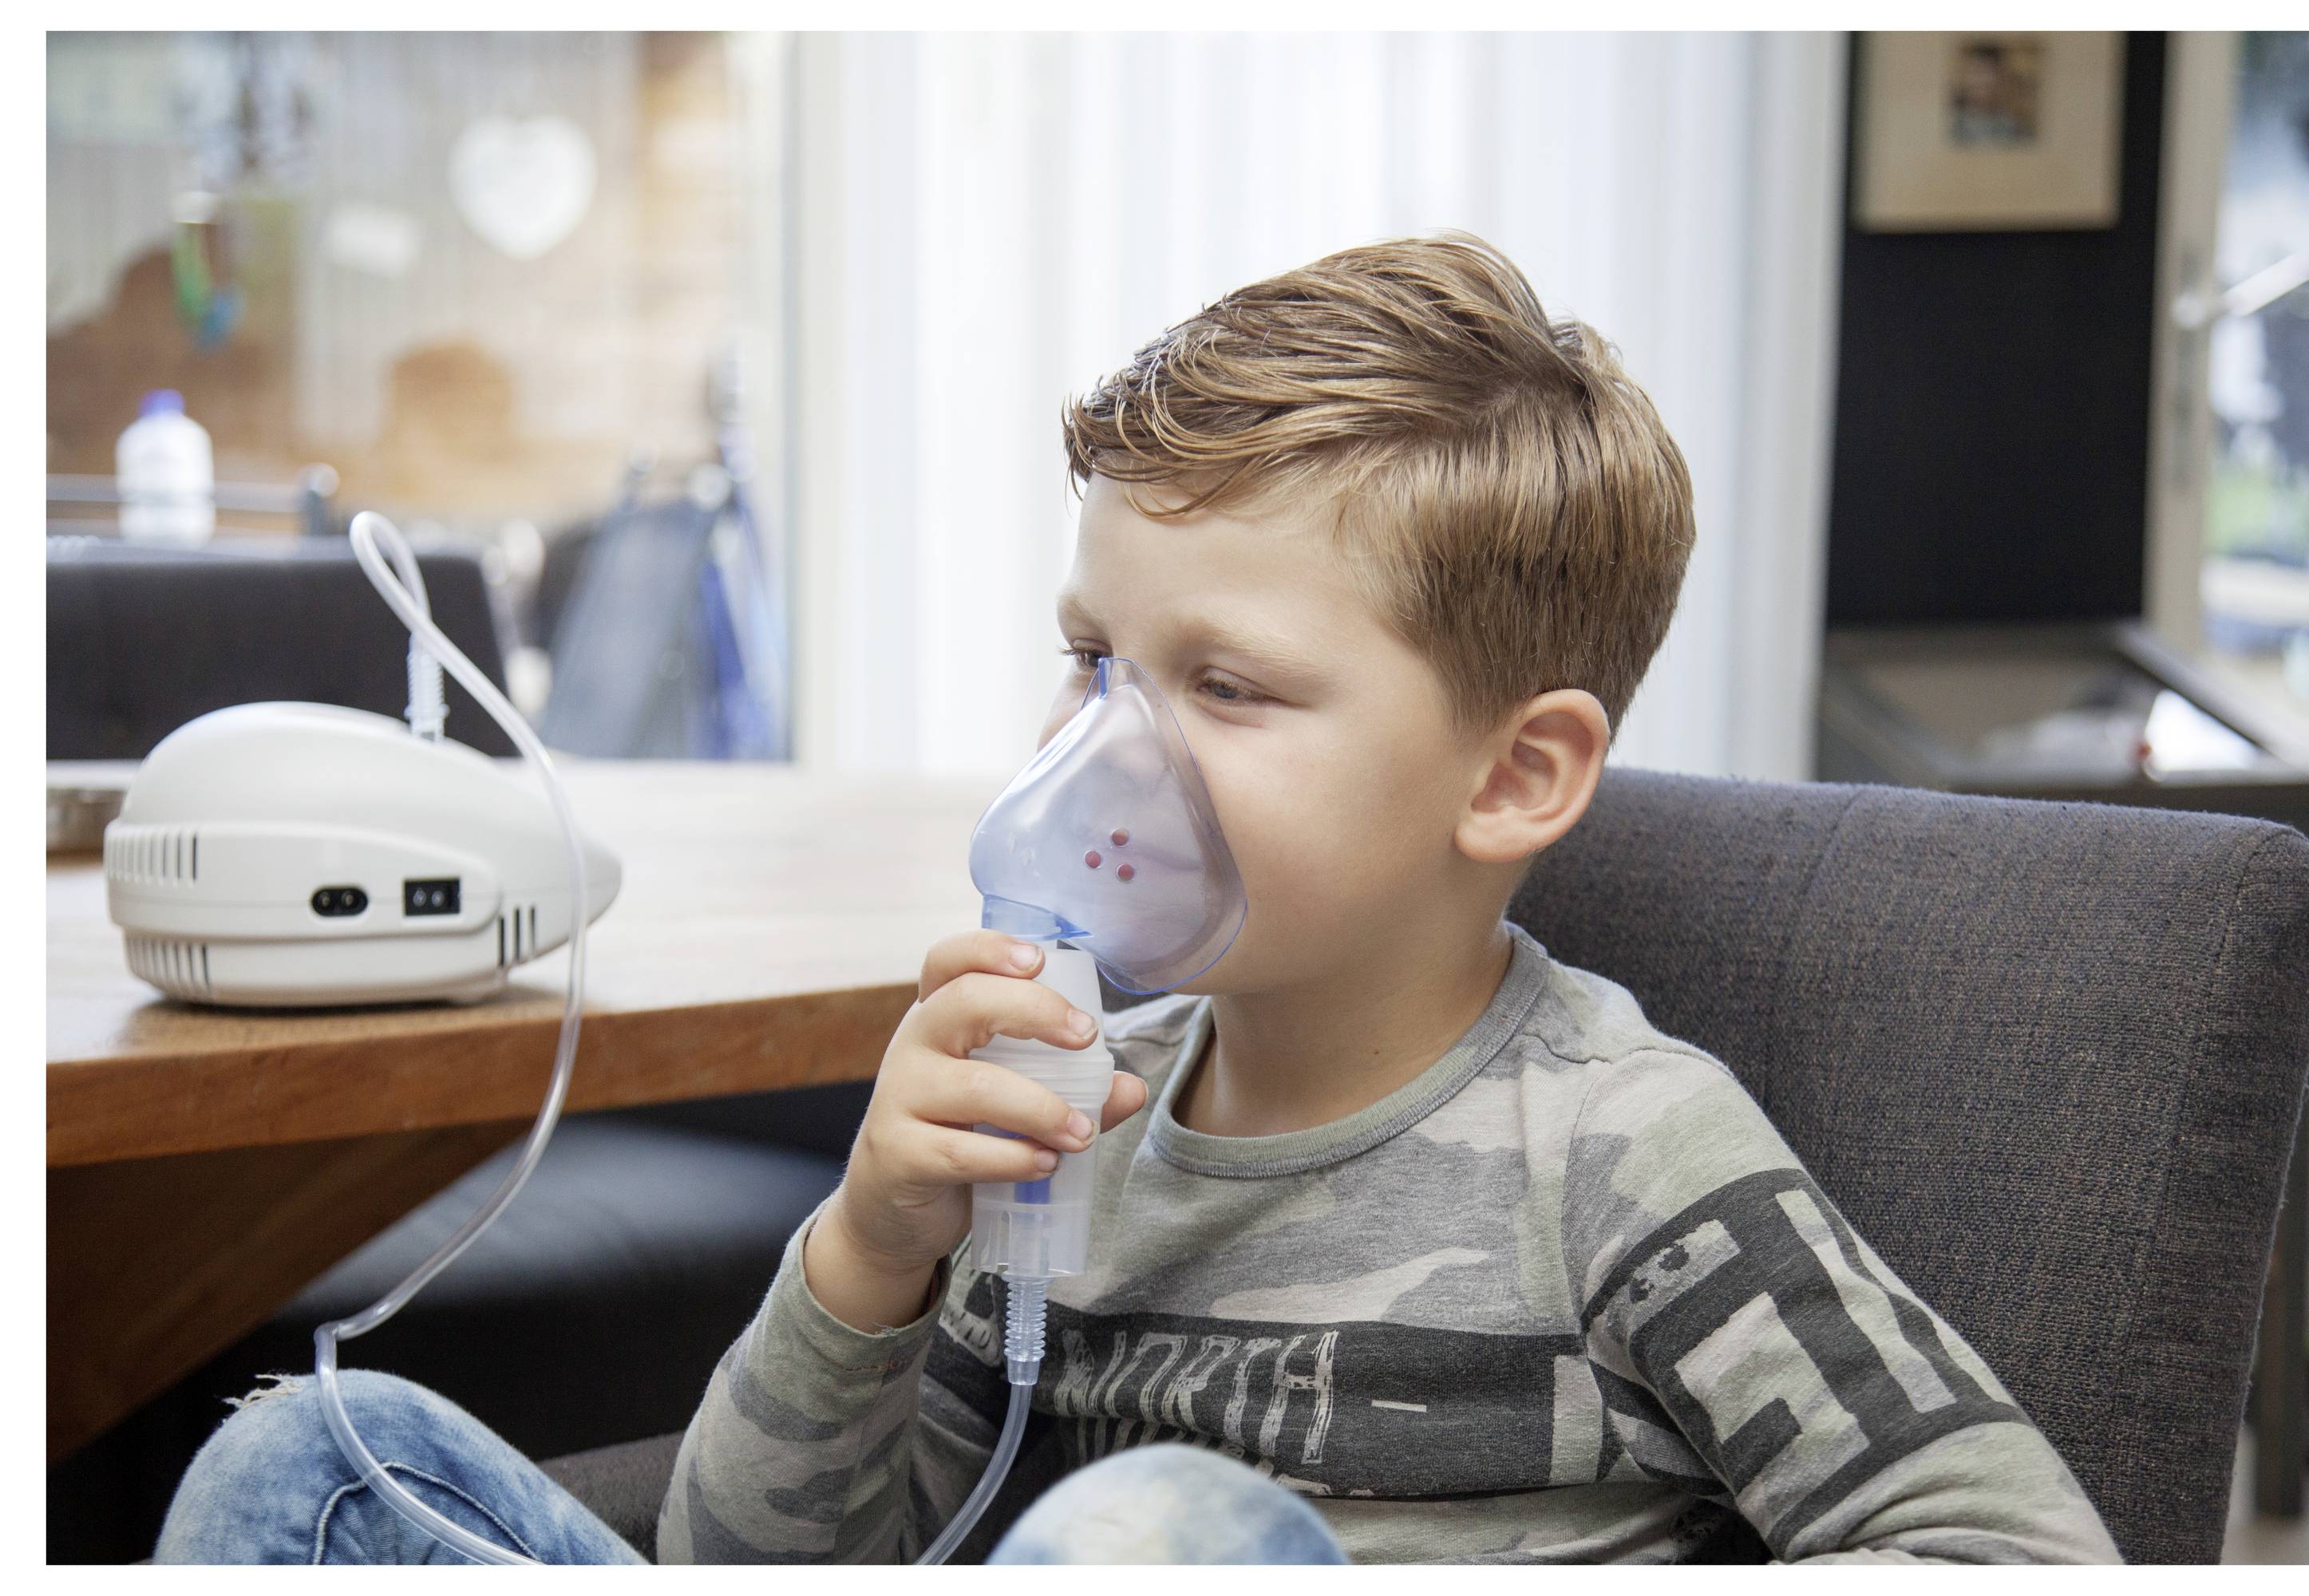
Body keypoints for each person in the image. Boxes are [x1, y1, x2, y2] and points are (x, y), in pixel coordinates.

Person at [158, 231, 2122, 1564]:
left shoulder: (1619, 1152)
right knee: (309, 1468)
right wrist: (872, 1242)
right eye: (1096, 659)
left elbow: (2007, 1544)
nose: (1111, 752)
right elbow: (752, 1557)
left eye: (1230, 687)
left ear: (1513, 773)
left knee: (1140, 1533)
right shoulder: (1053, 1120)